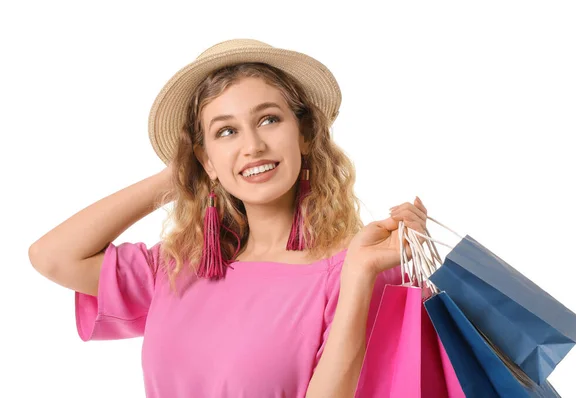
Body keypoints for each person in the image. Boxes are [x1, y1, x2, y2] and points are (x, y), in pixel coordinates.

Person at [28, 39, 429, 398]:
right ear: (206, 159)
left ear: (304, 135)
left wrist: (360, 275)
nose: (252, 146)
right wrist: (183, 171)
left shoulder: (353, 268)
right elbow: (53, 256)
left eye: (269, 120)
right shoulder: (177, 268)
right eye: (226, 132)